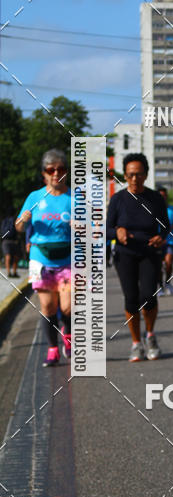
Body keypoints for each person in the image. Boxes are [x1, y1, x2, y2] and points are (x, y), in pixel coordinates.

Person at [107, 153, 169, 361]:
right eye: (131, 175)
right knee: (131, 299)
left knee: (148, 296)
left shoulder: (155, 198)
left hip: (150, 253)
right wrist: (118, 232)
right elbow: (106, 229)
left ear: (146, 175)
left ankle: (150, 335)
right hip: (125, 254)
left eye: (139, 174)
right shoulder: (118, 199)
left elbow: (166, 227)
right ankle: (136, 343)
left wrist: (161, 238)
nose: (135, 179)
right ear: (125, 175)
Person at [15, 149, 72, 367]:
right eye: (51, 169)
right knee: (48, 308)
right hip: (41, 258)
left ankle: (67, 336)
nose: (56, 173)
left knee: (67, 307)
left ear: (66, 172)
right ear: (44, 173)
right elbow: (18, 227)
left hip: (68, 259)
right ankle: (52, 349)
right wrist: (24, 219)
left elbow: (92, 229)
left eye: (60, 169)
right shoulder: (35, 197)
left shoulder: (74, 198)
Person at [157, 187, 173, 296]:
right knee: (159, 265)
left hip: (170, 241)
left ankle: (168, 282)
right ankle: (160, 285)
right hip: (158, 241)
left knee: (169, 262)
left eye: (164, 196)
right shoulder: (153, 209)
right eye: (160, 195)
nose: (162, 198)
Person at [1, 211, 20, 278]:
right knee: (15, 257)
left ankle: (9, 272)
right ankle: (14, 272)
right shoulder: (14, 219)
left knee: (7, 256)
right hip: (13, 241)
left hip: (5, 241)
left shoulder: (4, 221)